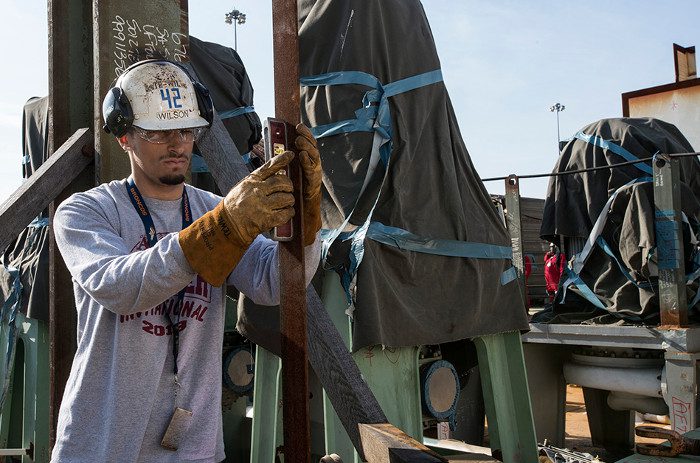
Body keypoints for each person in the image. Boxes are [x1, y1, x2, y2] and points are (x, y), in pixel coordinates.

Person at [51, 59, 322, 462]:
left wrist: (306, 221)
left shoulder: (213, 210)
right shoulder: (85, 212)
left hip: (194, 450)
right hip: (103, 447)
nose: (177, 143)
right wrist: (222, 226)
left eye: (186, 129)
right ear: (125, 136)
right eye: (159, 132)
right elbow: (119, 287)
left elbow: (273, 283)